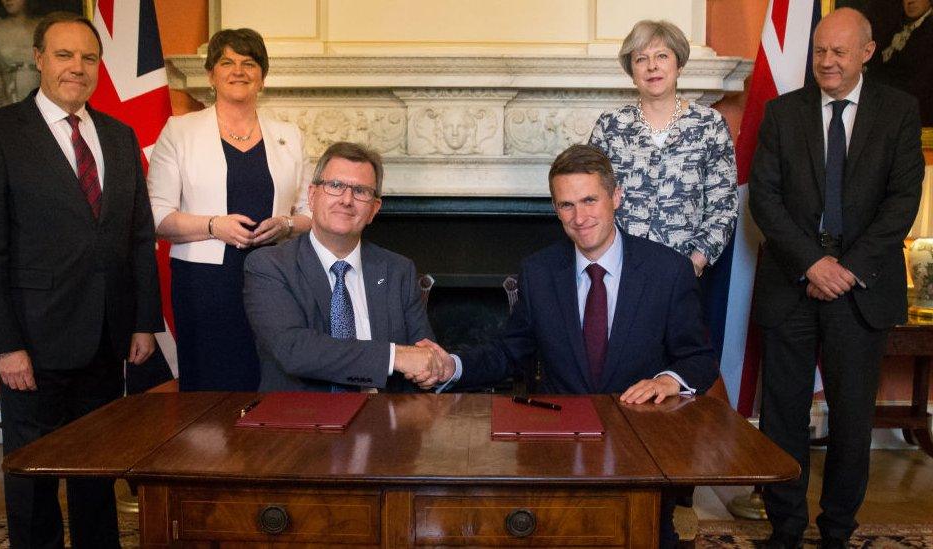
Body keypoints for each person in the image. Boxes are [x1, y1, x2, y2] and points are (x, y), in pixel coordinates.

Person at [424, 144, 718, 548]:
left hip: (640, 448)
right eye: (566, 205)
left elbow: (699, 358)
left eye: (589, 200)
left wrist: (669, 380)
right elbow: (510, 352)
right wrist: (450, 366)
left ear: (616, 196)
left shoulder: (668, 270)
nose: (580, 218)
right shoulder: (538, 271)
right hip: (557, 446)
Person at [0, 11, 163, 548]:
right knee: (33, 470)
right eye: (65, 55)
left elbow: (139, 236)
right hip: (33, 338)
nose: (78, 67)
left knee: (97, 464)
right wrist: (5, 345)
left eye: (89, 58)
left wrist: (143, 322)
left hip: (107, 334)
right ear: (39, 59)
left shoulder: (121, 137)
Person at [748, 8, 924, 548]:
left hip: (861, 288)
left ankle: (837, 533)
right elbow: (765, 198)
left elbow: (902, 202)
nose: (825, 61)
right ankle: (785, 529)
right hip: (791, 283)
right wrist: (812, 263)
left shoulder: (899, 110)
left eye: (838, 52)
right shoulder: (782, 113)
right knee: (782, 418)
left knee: (850, 422)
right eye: (820, 51)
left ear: (867, 53)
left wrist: (846, 270)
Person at [148, 28, 311, 391]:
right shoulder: (180, 131)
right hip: (205, 283)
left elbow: (311, 213)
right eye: (227, 62)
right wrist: (212, 226)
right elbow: (156, 216)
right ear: (211, 74)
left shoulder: (289, 135)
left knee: (273, 376)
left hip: (276, 278)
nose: (238, 70)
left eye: (249, 63)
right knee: (211, 384)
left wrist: (286, 224)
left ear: (262, 77)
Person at [244, 141, 448, 392]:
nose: (347, 199)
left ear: (374, 209)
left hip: (385, 421)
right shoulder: (270, 266)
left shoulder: (398, 270)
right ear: (312, 195)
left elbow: (422, 358)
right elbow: (294, 350)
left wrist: (430, 368)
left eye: (361, 191)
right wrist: (394, 357)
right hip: (302, 423)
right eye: (335, 186)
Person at [588, 19, 737, 278]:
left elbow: (723, 207)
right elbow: (590, 197)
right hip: (620, 272)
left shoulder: (709, 125)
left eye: (662, 56)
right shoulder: (610, 126)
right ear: (632, 72)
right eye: (641, 59)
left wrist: (694, 264)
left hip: (684, 270)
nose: (652, 66)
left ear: (678, 65)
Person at [866, 0, 933, 126]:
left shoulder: (929, 33)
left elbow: (918, 85)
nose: (910, 1)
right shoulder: (897, 26)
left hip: (913, 115)